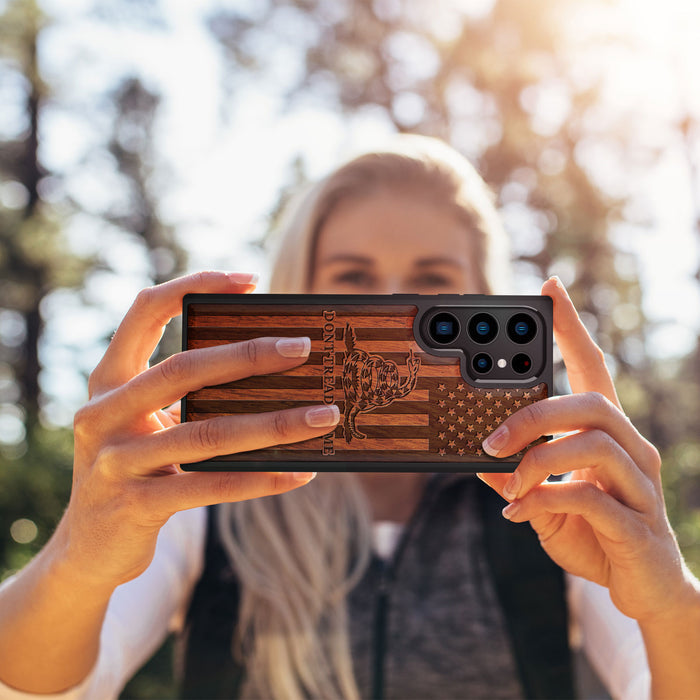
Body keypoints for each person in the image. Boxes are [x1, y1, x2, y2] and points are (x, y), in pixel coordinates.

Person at [0, 135, 699, 700]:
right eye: (354, 279)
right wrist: (78, 559)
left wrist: (669, 603)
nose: (391, 307)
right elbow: (40, 686)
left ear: (484, 301)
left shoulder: (553, 497)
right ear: (297, 296)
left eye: (431, 280)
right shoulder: (204, 493)